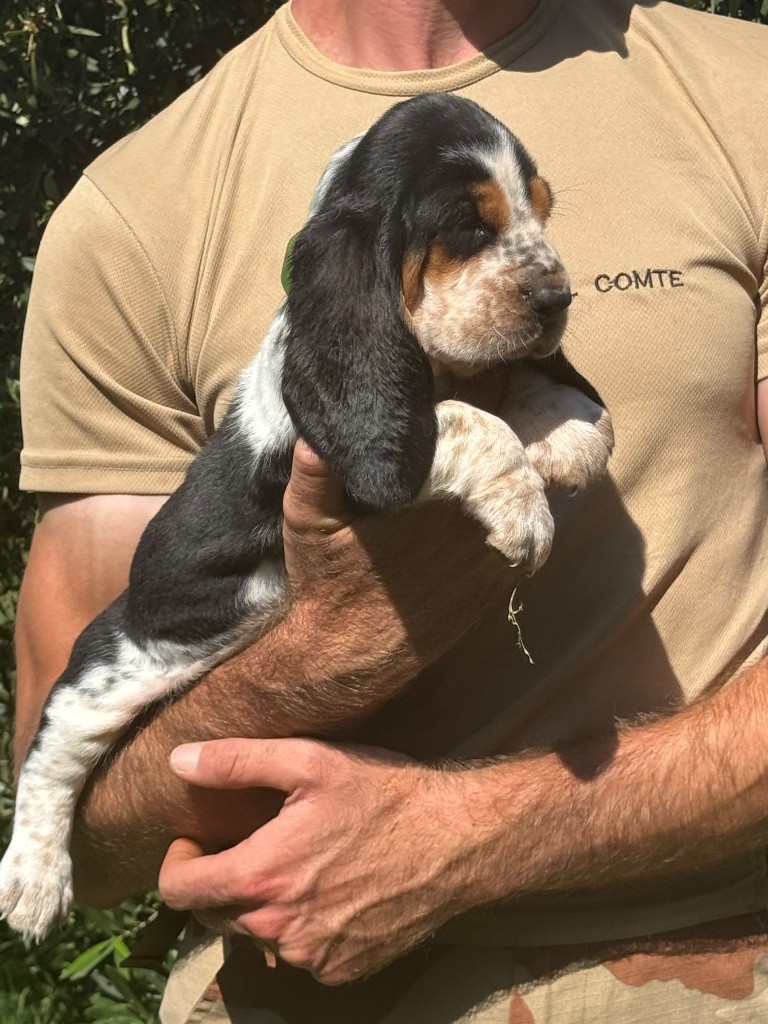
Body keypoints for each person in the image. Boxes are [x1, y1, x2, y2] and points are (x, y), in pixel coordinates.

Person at [14, 0, 768, 1019]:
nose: (548, 285)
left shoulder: (747, 94)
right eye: (470, 232)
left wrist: (465, 840)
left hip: (713, 946)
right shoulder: (134, 209)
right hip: (297, 968)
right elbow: (95, 831)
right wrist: (332, 637)